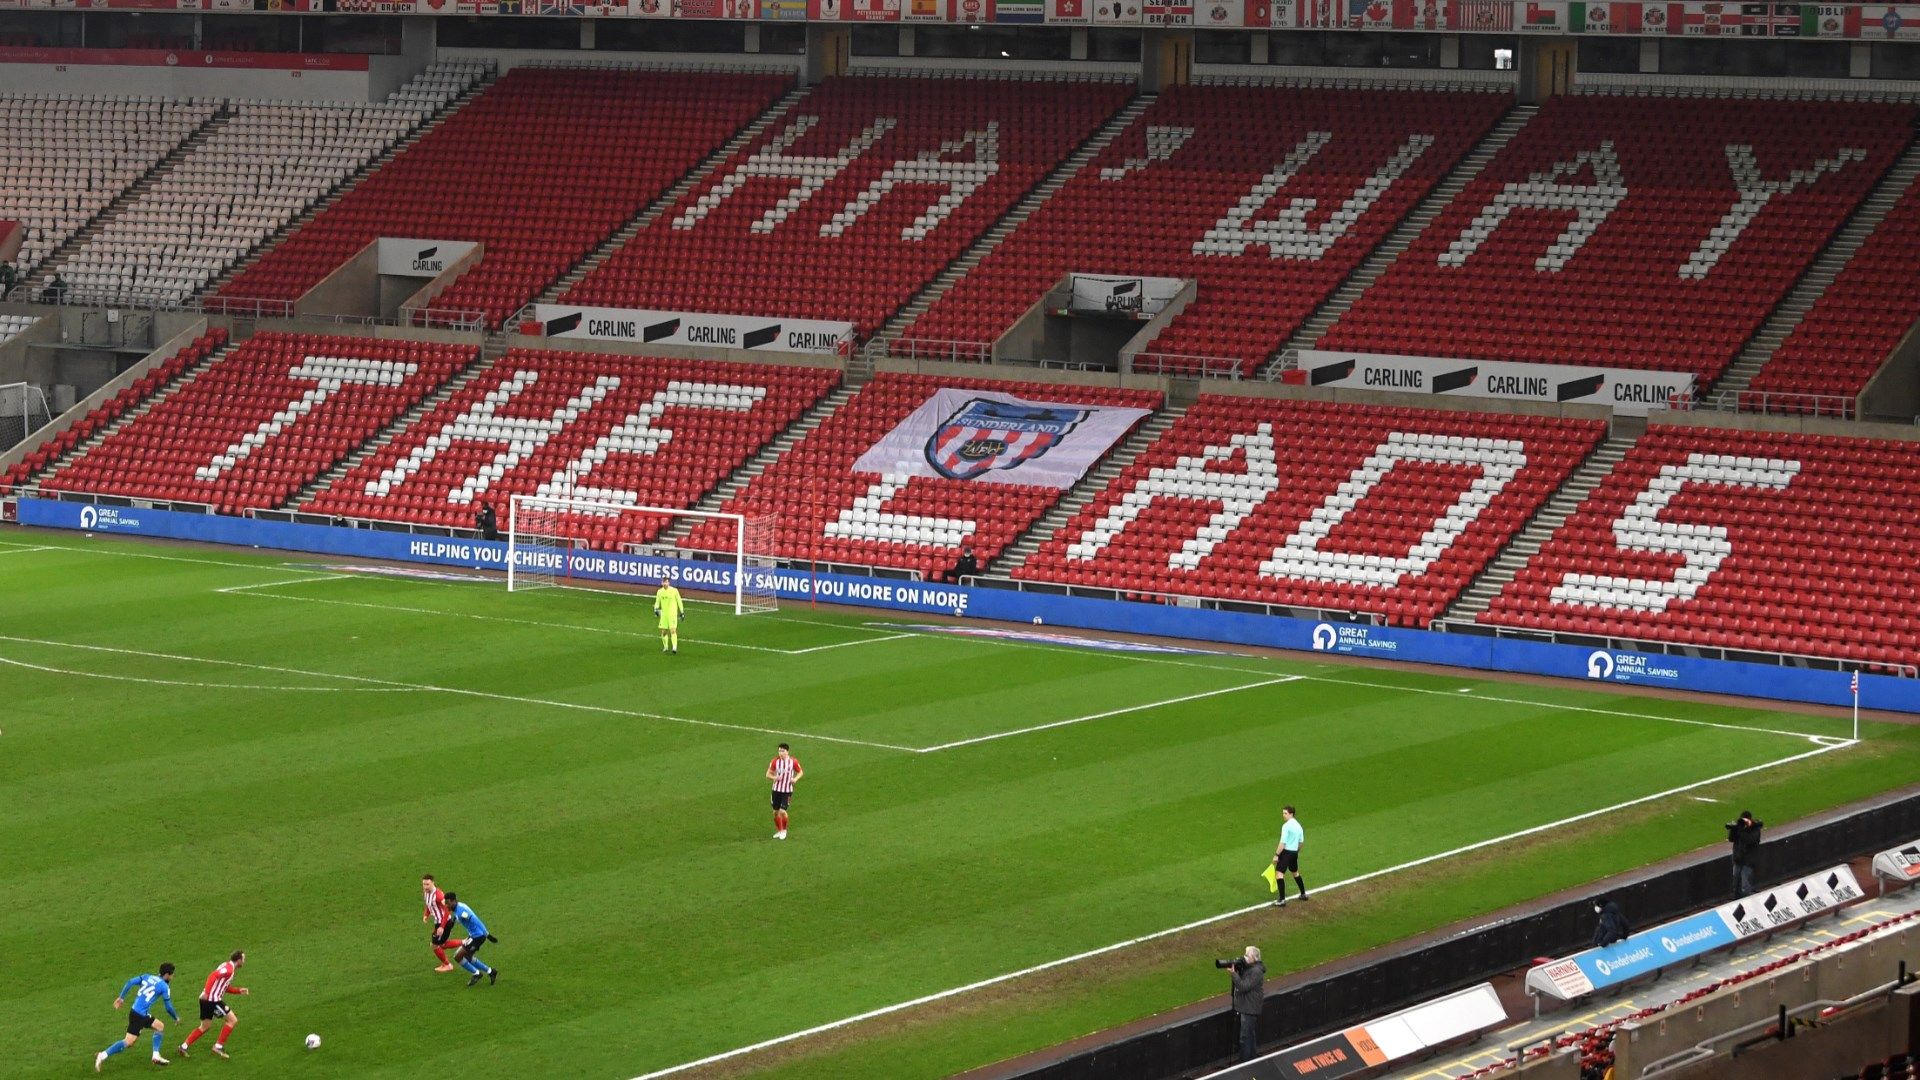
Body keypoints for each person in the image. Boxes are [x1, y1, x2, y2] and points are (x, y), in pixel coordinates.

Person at [95, 963, 176, 1071]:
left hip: (137, 1012)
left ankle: (156, 1055)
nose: (173, 976)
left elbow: (130, 982)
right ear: (166, 975)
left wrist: (121, 998)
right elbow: (168, 1007)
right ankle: (102, 1055)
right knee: (128, 1041)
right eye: (172, 974)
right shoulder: (164, 986)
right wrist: (176, 1017)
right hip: (139, 1015)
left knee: (159, 1026)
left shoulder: (147, 976)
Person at [179, 951, 247, 1059]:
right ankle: (218, 1046)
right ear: (238, 960)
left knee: (205, 1026)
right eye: (243, 959)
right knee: (232, 1020)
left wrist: (238, 991)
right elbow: (212, 976)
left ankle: (183, 1046)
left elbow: (224, 986)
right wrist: (207, 992)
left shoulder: (226, 966)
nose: (244, 961)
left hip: (205, 1000)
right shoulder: (229, 969)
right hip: (212, 1000)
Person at [444, 892, 498, 987]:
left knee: (457, 956)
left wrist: (487, 934)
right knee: (468, 957)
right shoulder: (459, 907)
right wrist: (453, 920)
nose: (446, 905)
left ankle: (477, 974)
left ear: (453, 901)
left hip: (477, 937)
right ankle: (491, 971)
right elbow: (459, 915)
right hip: (473, 936)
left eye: (447, 903)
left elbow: (475, 920)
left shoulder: (461, 911)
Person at [1226, 945, 1265, 1062]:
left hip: (1250, 1008)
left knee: (1245, 1037)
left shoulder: (1256, 971)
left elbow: (1243, 986)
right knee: (1250, 1036)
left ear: (1254, 957)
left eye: (1247, 955)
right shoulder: (1252, 969)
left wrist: (1234, 974)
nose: (1245, 957)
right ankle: (1252, 1059)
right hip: (1248, 1006)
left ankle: (1244, 1063)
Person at [422, 873, 468, 972]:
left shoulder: (439, 896)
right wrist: (426, 914)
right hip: (438, 923)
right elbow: (428, 905)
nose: (425, 886)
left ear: (433, 883)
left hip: (445, 923)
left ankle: (448, 965)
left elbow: (447, 910)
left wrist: (442, 927)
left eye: (427, 884)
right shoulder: (426, 892)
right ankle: (464, 942)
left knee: (435, 945)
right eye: (424, 884)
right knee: (441, 944)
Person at [1272, 806, 1308, 907]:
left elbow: (1282, 843)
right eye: (1283, 813)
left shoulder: (1286, 826)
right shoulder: (1298, 826)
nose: (1283, 815)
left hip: (1286, 853)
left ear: (1291, 814)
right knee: (1295, 872)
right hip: (1294, 853)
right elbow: (1301, 842)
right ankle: (1303, 894)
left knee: (1279, 874)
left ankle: (1282, 900)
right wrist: (1296, 852)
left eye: (1285, 813)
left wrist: (1276, 855)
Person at [767, 742, 803, 840]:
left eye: (782, 751)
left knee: (782, 811)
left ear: (787, 752)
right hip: (776, 790)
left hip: (787, 790)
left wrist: (795, 779)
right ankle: (779, 830)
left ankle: (784, 830)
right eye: (779, 751)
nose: (780, 753)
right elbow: (768, 774)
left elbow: (800, 772)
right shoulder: (775, 761)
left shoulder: (793, 762)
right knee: (775, 812)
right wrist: (774, 777)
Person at [1726, 810, 1763, 898]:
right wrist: (1733, 829)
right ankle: (1736, 900)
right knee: (1735, 883)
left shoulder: (1755, 829)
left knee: (1745, 884)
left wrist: (1741, 830)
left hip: (1748, 861)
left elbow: (1749, 840)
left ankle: (1747, 902)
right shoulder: (1740, 828)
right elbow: (1731, 839)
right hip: (1738, 859)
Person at [654, 572, 684, 654]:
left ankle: (674, 647)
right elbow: (657, 602)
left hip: (672, 614)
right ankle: (666, 647)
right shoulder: (659, 592)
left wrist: (682, 611)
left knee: (673, 630)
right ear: (662, 583)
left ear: (669, 582)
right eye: (663, 582)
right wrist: (656, 609)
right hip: (664, 615)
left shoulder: (674, 591)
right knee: (664, 632)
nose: (665, 583)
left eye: (666, 582)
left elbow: (679, 601)